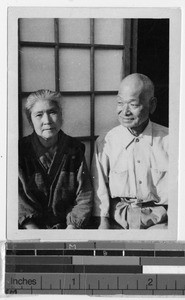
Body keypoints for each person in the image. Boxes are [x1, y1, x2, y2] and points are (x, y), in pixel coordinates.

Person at [92, 73, 168, 229]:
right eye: (120, 103)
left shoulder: (172, 141)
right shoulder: (106, 142)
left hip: (161, 220)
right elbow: (99, 190)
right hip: (119, 219)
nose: (124, 111)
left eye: (133, 104)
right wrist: (103, 224)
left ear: (152, 105)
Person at [19, 89, 93, 229]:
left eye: (52, 112)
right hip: (30, 231)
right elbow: (19, 202)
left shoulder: (74, 149)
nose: (47, 121)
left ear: (61, 115)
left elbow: (84, 196)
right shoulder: (21, 151)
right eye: (39, 115)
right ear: (30, 120)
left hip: (68, 229)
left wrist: (71, 227)